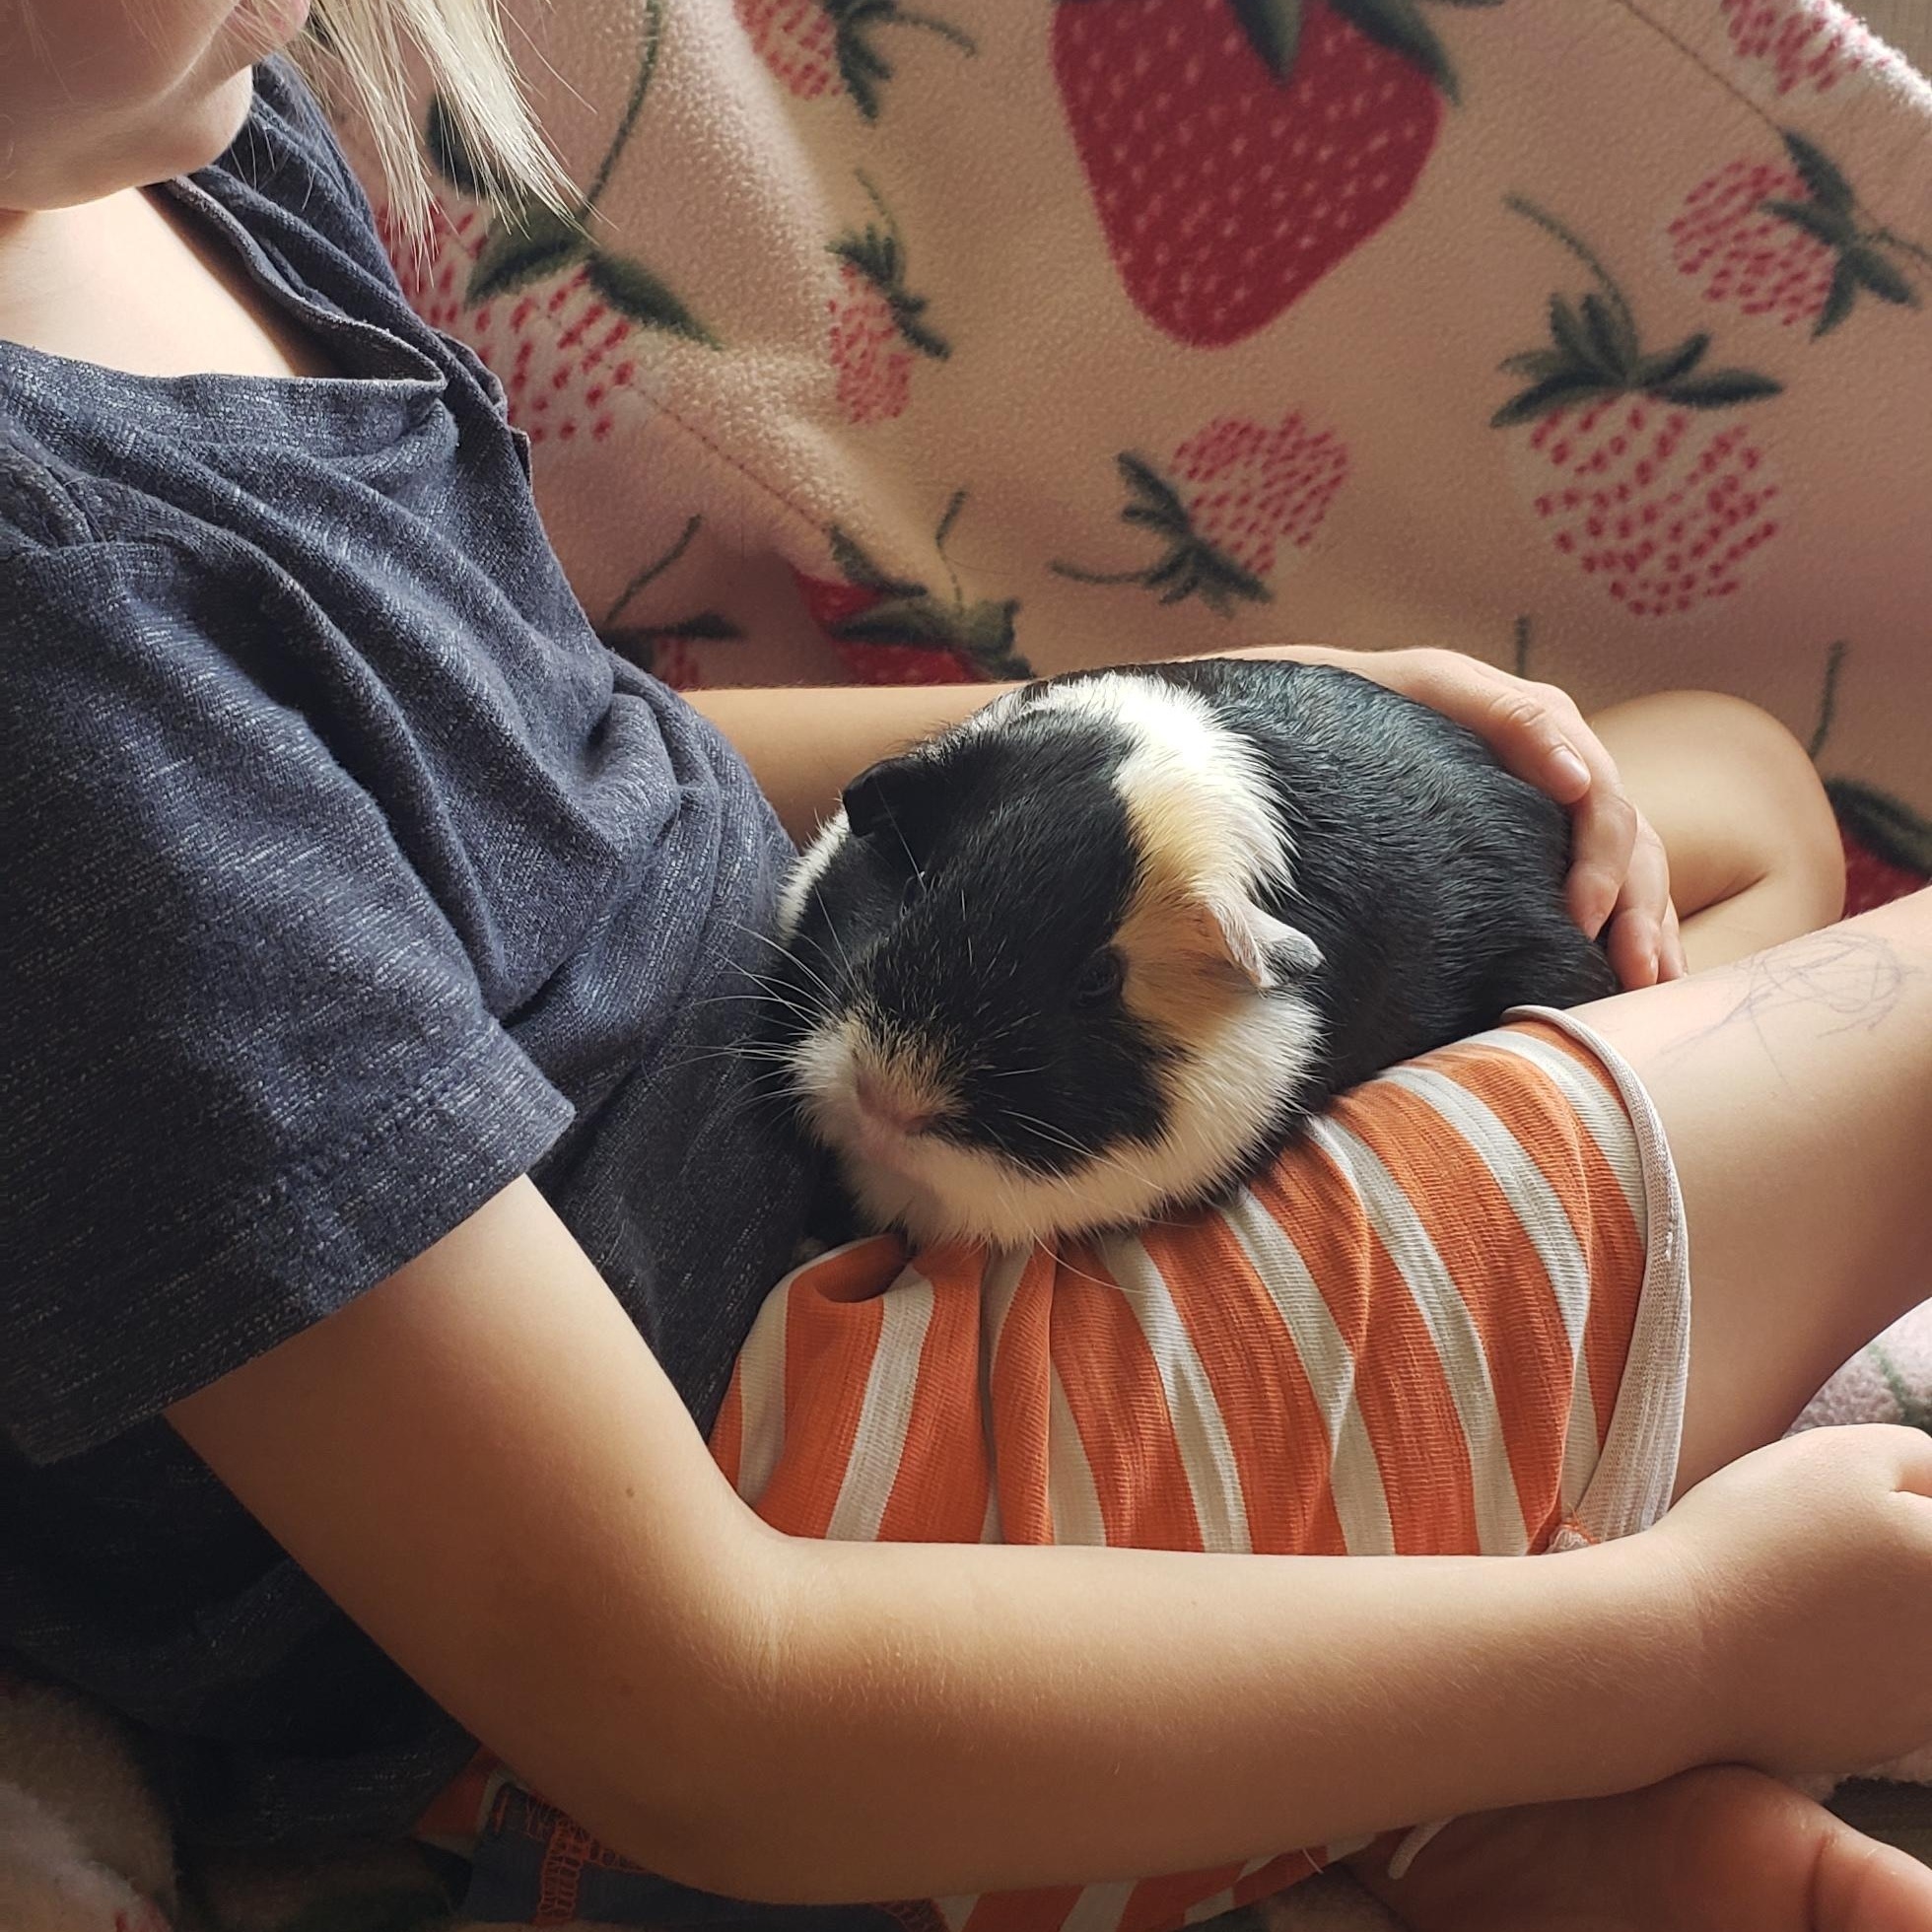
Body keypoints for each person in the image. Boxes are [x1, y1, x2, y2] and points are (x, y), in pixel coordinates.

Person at [3, 6, 1932, 1931]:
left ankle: (1386, 1775)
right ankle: (1432, 1698)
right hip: (827, 1488)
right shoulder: (64, 683)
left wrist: (1216, 714)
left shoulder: (166, 142)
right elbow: (697, 1699)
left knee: (1712, 781)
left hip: (811, 1216)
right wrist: (1682, 1639)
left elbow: (536, 768)